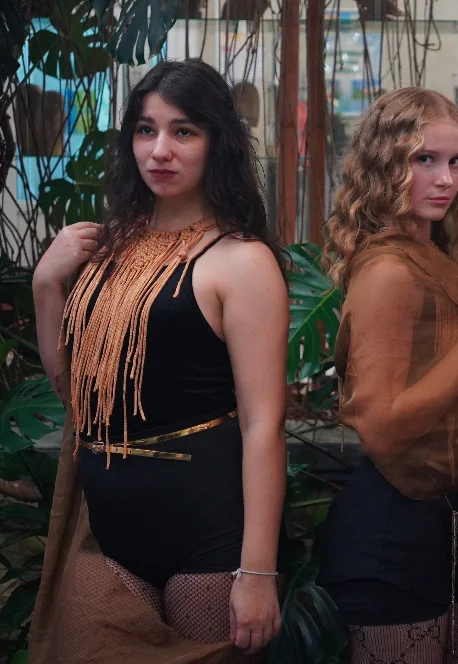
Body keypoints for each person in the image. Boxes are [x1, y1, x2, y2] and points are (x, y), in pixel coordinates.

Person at [29, 59, 288, 664]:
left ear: (217, 142)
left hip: (207, 535)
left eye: (183, 131)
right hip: (107, 535)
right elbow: (76, 394)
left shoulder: (241, 260)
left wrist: (257, 572)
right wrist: (46, 285)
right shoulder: (108, 246)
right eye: (146, 130)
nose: (160, 150)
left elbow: (263, 423)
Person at [316, 87, 458, 664]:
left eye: (455, 161)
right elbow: (382, 426)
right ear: (385, 165)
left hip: (434, 530)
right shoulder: (391, 271)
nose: (445, 179)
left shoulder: (430, 257)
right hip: (390, 539)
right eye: (424, 160)